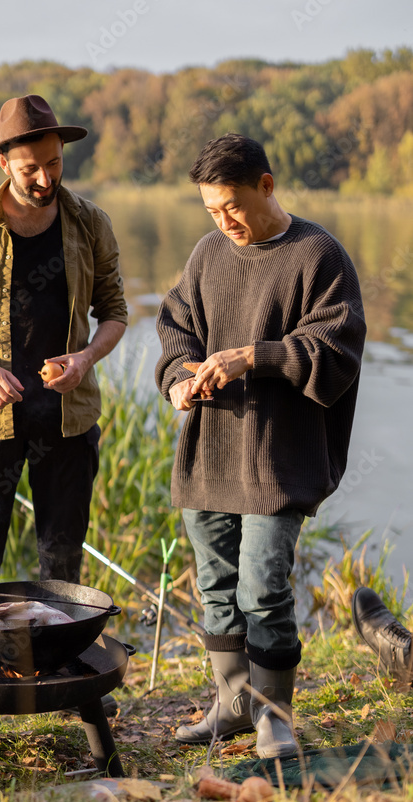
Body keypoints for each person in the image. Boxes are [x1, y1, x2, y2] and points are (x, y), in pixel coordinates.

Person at [155, 133, 367, 759]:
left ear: (267, 186)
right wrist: (177, 382)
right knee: (216, 586)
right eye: (212, 211)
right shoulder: (208, 253)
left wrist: (257, 356)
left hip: (279, 456)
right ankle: (233, 704)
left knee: (262, 585)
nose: (224, 223)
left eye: (233, 207)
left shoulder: (317, 255)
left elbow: (338, 349)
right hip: (211, 447)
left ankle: (275, 713)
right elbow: (176, 329)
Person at [0, 95, 127, 592]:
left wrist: (86, 357)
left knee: (63, 572)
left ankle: (54, 665)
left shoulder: (91, 223)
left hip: (67, 420)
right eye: (31, 168)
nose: (46, 179)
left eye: (54, 163)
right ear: (3, 162)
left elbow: (115, 312)